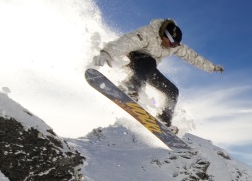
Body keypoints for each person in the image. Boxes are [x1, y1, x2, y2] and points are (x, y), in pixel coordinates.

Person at [93, 19, 223, 126]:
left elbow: (192, 57)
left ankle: (164, 120)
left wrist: (212, 67)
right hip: (130, 61)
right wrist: (107, 53)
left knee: (172, 91)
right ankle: (129, 88)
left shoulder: (174, 46)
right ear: (164, 35)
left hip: (147, 69)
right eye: (171, 43)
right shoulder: (147, 34)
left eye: (174, 45)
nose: (171, 47)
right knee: (148, 62)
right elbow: (126, 42)